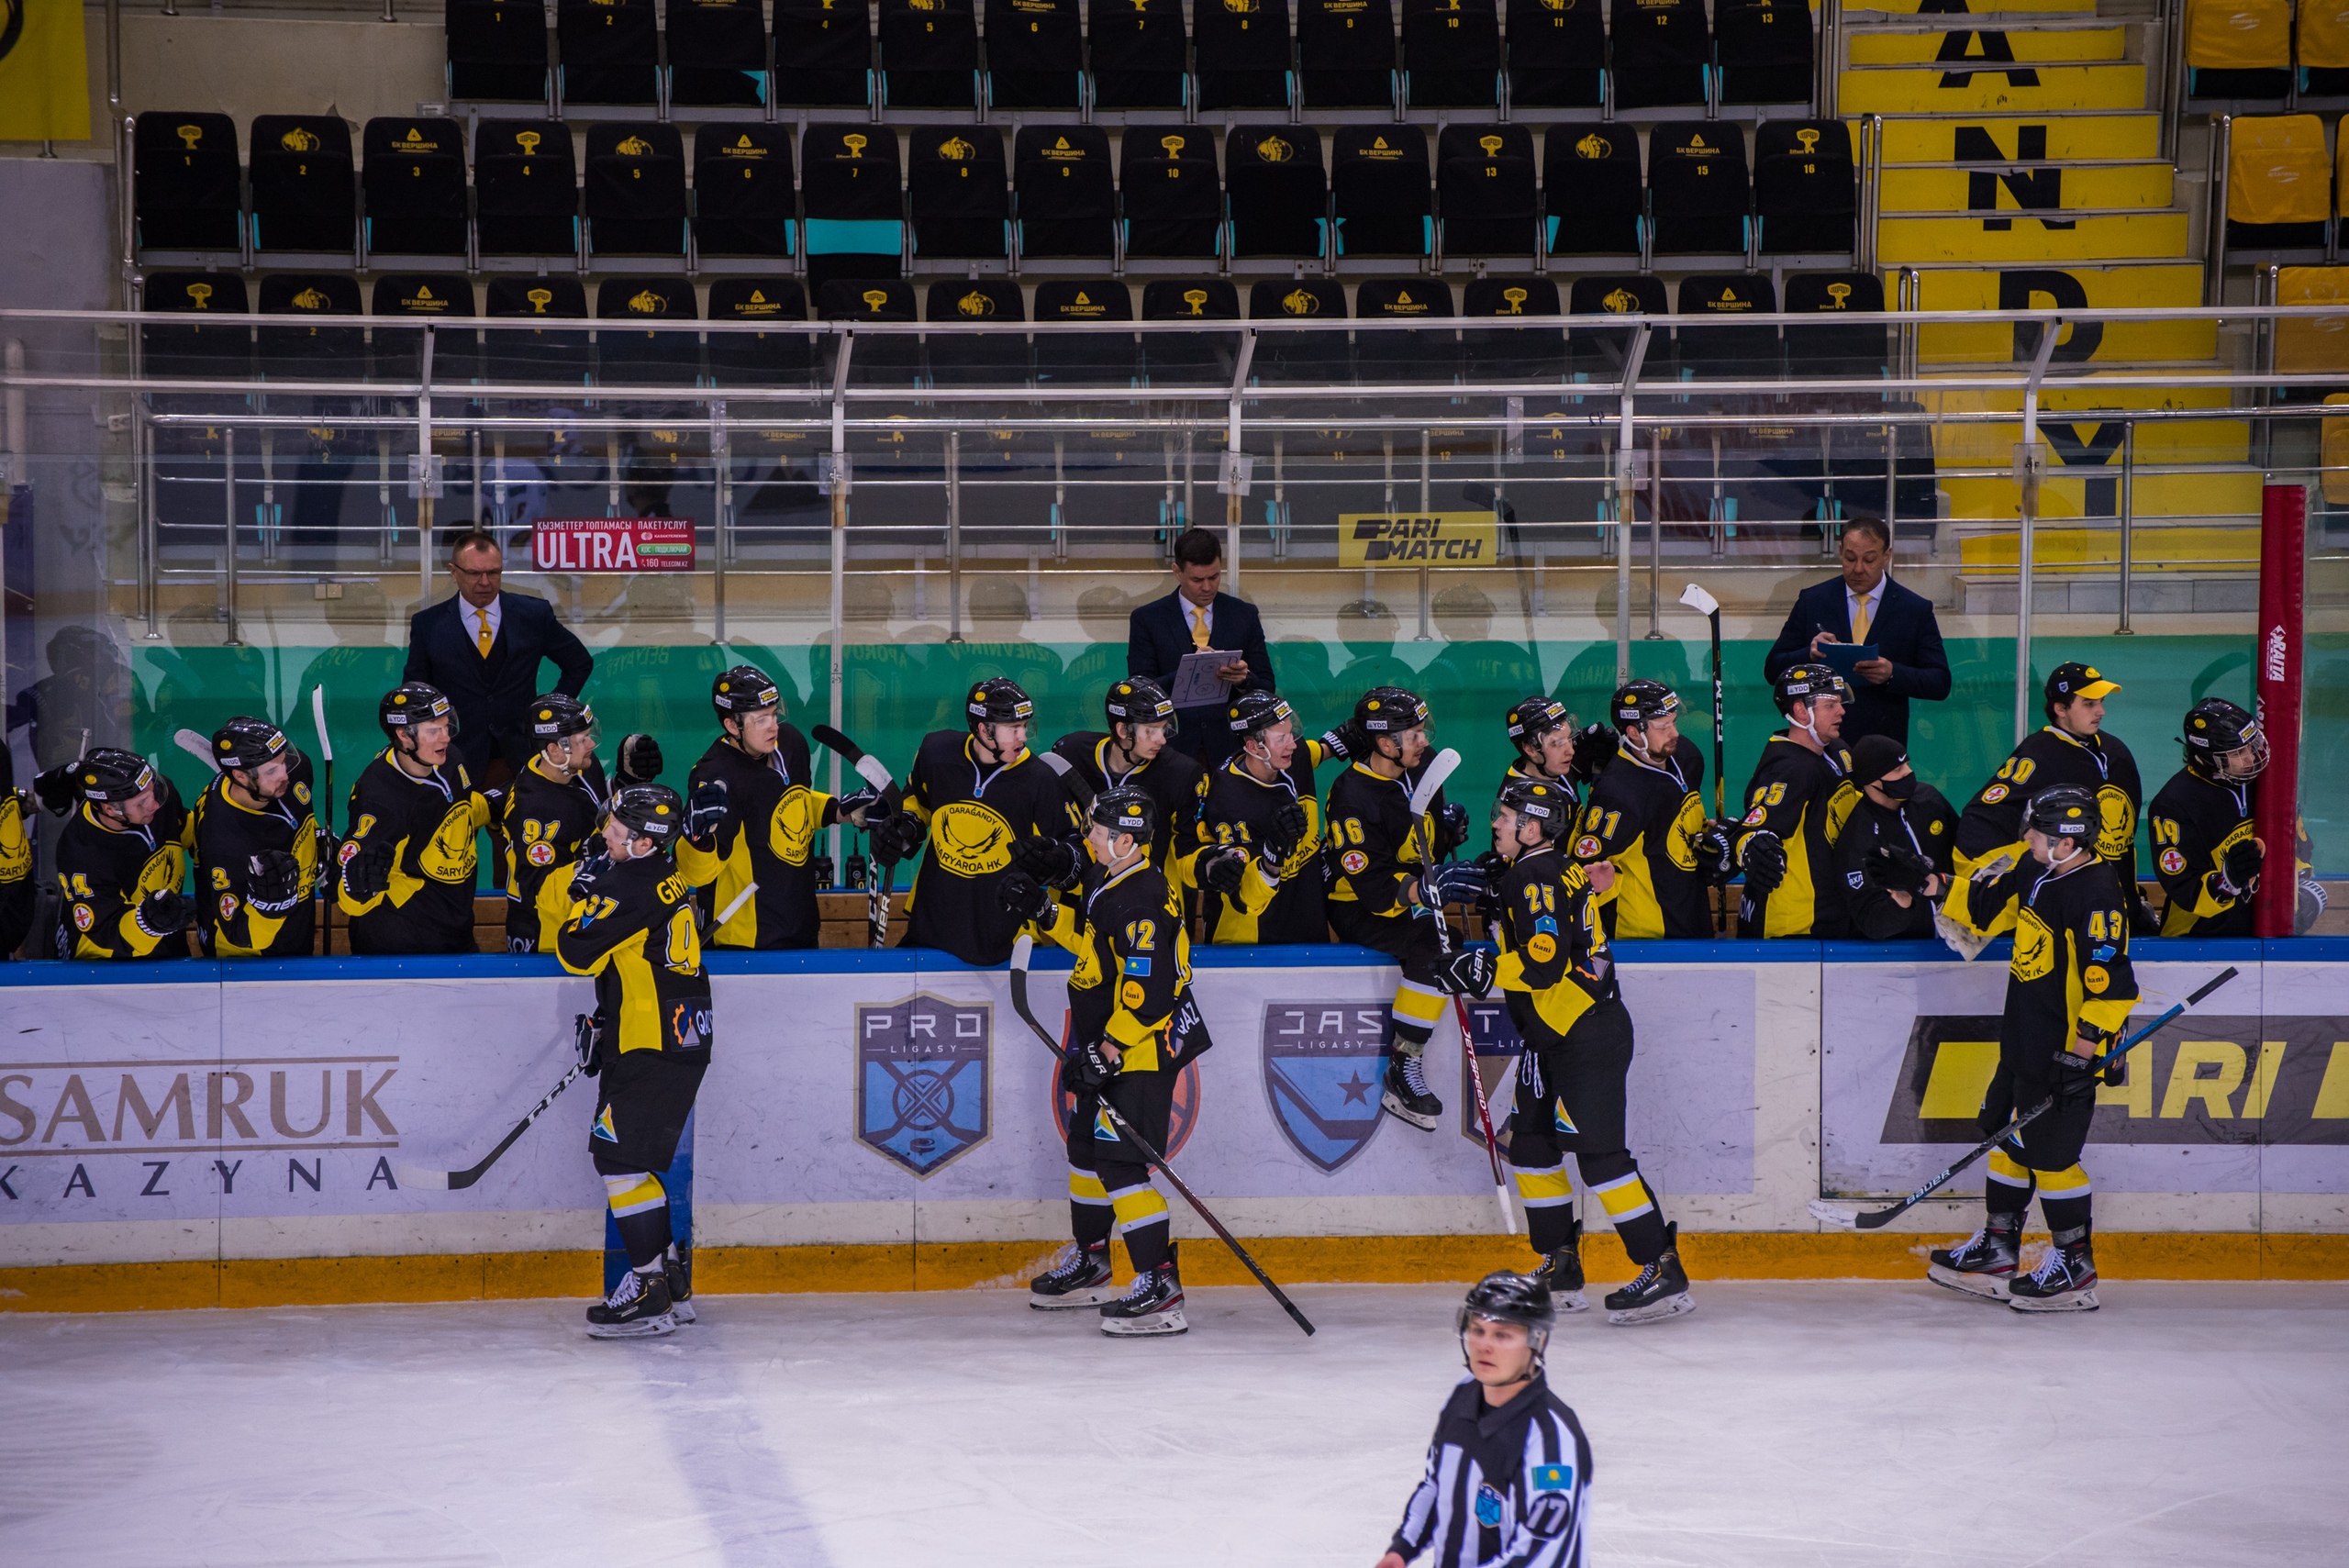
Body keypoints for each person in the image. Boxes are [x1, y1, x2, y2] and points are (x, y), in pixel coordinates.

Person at [1489, 779, 1693, 1327]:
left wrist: (1480, 969)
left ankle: (1661, 1265)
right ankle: (1560, 1264)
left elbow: (1544, 964)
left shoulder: (1533, 874)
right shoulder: (1550, 868)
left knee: (1600, 1158)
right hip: (1553, 1033)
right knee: (1531, 1147)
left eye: (1504, 816)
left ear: (1532, 827)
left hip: (1585, 1033)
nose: (1495, 823)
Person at [1929, 785, 2139, 1312]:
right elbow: (1985, 906)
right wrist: (1927, 882)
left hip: (2063, 1052)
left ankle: (2075, 1268)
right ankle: (1999, 1249)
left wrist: (2081, 1055)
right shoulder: (2036, 867)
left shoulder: (2097, 895)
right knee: (2006, 1138)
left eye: (2037, 833)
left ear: (2067, 844)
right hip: (2025, 1039)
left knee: (2053, 1157)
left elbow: (2111, 987)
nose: (2026, 838)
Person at [1008, 786, 1197, 1337]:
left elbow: (1150, 995)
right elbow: (1095, 947)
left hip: (1136, 1055)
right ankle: (1092, 1262)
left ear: (1126, 840)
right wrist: (1045, 912)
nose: (1088, 837)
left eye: (1098, 831)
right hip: (1107, 1049)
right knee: (1085, 1150)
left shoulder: (1142, 899)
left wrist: (1107, 1051)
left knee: (1121, 1165)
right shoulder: (1110, 880)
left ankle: (1160, 1286)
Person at [552, 784, 712, 1339]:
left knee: (618, 1162)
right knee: (631, 1162)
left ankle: (648, 1290)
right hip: (675, 1035)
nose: (605, 833)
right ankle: (670, 1282)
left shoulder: (626, 883)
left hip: (650, 1043)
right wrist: (611, 1017)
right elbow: (639, 960)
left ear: (645, 842)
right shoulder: (666, 873)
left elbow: (575, 954)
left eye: (617, 829)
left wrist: (581, 892)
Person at [1323, 687, 1492, 1130]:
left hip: (1412, 891)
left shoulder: (1422, 762)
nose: (1424, 740)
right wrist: (1429, 887)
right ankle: (1403, 1067)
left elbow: (1422, 837)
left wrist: (1446, 832)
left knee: (1449, 933)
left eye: (1423, 729)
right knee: (1436, 943)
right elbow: (1376, 891)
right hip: (1358, 904)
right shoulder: (1351, 797)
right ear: (1384, 743)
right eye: (1414, 734)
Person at [1376, 1272, 1594, 1568]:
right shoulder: (1464, 1394)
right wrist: (1402, 1550)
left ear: (1538, 1341)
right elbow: (1437, 1488)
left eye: (1502, 1335)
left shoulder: (1551, 1438)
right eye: (1477, 1330)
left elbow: (1540, 1555)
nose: (1484, 1345)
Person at [867, 677, 1075, 966]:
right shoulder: (936, 753)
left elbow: (1074, 849)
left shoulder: (1041, 780)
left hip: (1006, 937)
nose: (1023, 737)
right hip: (934, 921)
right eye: (1013, 728)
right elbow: (918, 799)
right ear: (983, 729)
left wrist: (1059, 861)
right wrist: (907, 825)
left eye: (1025, 726)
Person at [678, 665, 879, 951]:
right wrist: (696, 839)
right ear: (732, 726)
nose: (773, 726)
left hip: (800, 927)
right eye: (761, 719)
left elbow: (791, 803)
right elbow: (697, 876)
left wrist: (839, 812)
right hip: (743, 942)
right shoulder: (716, 778)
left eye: (774, 714)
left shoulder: (790, 743)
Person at [1954, 662, 2148, 928]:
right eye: (2089, 704)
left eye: (2101, 702)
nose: (2101, 711)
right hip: (2063, 913)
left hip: (2114, 907)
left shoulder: (2116, 752)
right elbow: (1983, 817)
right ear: (2060, 709)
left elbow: (2123, 842)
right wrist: (1989, 884)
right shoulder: (2038, 755)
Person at [402, 529, 596, 783]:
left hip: (524, 755)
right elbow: (414, 695)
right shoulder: (428, 625)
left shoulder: (533, 615)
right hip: (455, 758)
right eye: (474, 573)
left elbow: (579, 663)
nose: (485, 582)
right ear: (453, 572)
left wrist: (548, 714)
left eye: (493, 573)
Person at [1761, 516, 1951, 747]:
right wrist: (1809, 654)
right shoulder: (1813, 600)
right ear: (1841, 552)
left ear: (1886, 556)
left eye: (1869, 560)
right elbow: (1773, 670)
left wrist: (1893, 674)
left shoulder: (1914, 609)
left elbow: (1940, 682)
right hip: (1820, 747)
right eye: (1850, 558)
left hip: (1882, 747)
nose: (1858, 569)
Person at [337, 684, 495, 954]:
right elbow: (352, 888)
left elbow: (459, 808)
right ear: (404, 735)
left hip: (454, 927)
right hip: (400, 938)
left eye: (446, 726)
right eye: (434, 731)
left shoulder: (448, 758)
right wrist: (356, 887)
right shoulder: (380, 799)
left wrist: (494, 807)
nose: (445, 738)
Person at [1568, 682, 1731, 940]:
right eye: (1663, 726)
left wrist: (1707, 835)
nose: (1674, 733)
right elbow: (1585, 870)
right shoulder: (1616, 794)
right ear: (1634, 732)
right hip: (1646, 938)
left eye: (1674, 722)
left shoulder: (1686, 756)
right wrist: (1600, 882)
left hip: (1694, 921)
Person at [1193, 691, 1336, 945]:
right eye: (1281, 738)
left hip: (1302, 917)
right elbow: (1245, 897)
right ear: (1253, 747)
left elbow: (1316, 751)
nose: (1292, 744)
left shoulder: (1290, 756)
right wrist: (1274, 852)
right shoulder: (1229, 802)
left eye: (1291, 733)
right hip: (1249, 935)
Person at [1124, 528, 1275, 765]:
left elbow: (1267, 686)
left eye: (1214, 577)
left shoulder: (1243, 615)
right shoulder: (1148, 619)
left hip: (1232, 748)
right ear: (1177, 572)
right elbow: (1139, 692)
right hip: (1170, 749)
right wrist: (1189, 671)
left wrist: (1244, 679)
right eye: (1197, 580)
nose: (1207, 587)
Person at [1733, 664, 1860, 939]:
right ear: (1802, 711)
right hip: (1794, 923)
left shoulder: (1838, 750)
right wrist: (1752, 844)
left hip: (1833, 910)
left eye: (1840, 702)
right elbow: (1756, 829)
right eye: (1831, 705)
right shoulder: (1789, 768)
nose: (1841, 711)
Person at [1045, 677, 1206, 873]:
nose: (1162, 740)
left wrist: (1207, 867)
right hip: (1082, 885)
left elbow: (1189, 850)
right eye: (1151, 731)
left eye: (1163, 728)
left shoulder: (1182, 773)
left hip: (1150, 888)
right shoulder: (1072, 753)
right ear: (1122, 730)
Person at [45, 748, 192, 961]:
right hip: (107, 962)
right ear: (110, 809)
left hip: (166, 938)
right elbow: (106, 930)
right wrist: (150, 922)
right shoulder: (81, 853)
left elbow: (183, 833)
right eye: (141, 802)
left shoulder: (156, 800)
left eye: (155, 790)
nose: (155, 804)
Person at [501, 693, 618, 952]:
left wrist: (624, 784)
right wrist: (591, 862)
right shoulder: (535, 809)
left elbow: (591, 807)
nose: (591, 744)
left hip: (585, 920)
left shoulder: (578, 767)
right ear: (554, 749)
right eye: (582, 739)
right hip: (547, 936)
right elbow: (541, 892)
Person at [193, 717, 319, 958]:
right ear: (241, 777)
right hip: (245, 958)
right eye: (272, 770)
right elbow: (238, 932)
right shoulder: (223, 843)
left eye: (283, 760)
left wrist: (316, 841)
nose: (285, 774)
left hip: (297, 934)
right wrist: (269, 907)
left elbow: (297, 820)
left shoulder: (296, 768)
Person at [2147, 697, 2266, 937]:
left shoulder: (2266, 782)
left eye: (2251, 746)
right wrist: (2225, 883)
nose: (2251, 758)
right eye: (2238, 752)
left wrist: (2301, 883)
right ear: (2208, 757)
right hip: (2195, 939)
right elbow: (2183, 887)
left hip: (2259, 931)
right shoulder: (2173, 804)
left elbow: (2293, 840)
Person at [1834, 734, 1960, 942]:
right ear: (1871, 781)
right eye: (1898, 769)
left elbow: (1965, 853)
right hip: (1907, 951)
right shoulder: (1858, 838)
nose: (1908, 772)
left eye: (1907, 764)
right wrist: (1902, 903)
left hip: (1963, 941)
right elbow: (1871, 922)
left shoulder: (1929, 799)